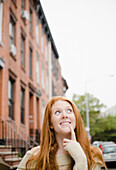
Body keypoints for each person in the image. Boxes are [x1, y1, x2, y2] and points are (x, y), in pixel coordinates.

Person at [17, 96, 107, 170]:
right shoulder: (35, 157)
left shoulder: (94, 155)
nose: (65, 115)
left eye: (69, 111)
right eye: (58, 112)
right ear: (50, 124)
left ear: (76, 118)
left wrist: (80, 159)